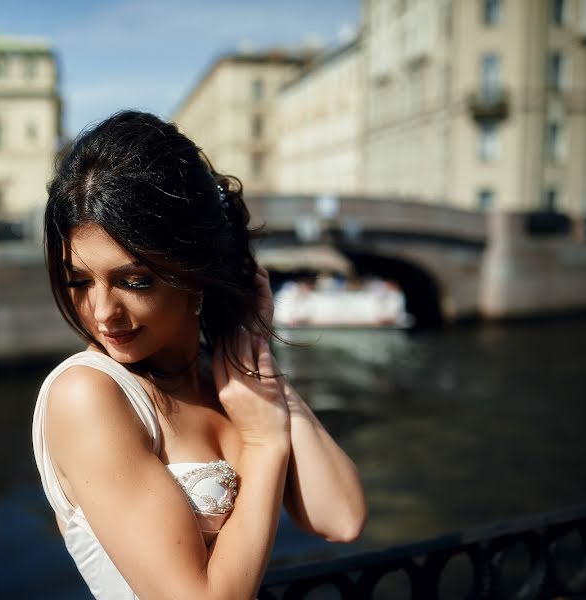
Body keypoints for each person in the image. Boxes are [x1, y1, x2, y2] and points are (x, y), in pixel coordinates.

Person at [32, 111, 365, 599]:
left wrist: (252, 344)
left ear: (194, 271)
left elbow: (343, 516)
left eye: (134, 281)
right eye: (78, 282)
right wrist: (263, 445)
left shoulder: (223, 373)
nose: (103, 313)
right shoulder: (88, 395)